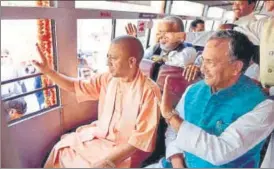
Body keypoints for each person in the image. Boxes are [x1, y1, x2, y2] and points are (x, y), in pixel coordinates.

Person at [147, 30, 274, 168]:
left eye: (210, 62)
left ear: (236, 67)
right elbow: (173, 132)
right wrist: (176, 160)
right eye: (202, 60)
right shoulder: (193, 90)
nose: (202, 69)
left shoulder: (263, 107)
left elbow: (220, 152)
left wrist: (171, 116)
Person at [32, 35, 161, 168]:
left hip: (127, 149)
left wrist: (108, 162)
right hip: (101, 135)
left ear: (132, 61)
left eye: (113, 58)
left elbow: (140, 139)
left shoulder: (150, 91)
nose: (107, 63)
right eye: (108, 57)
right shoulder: (108, 78)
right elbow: (75, 86)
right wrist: (49, 72)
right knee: (61, 149)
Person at [126, 16, 197, 68]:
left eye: (166, 33)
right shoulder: (156, 47)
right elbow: (141, 58)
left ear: (179, 34)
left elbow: (182, 61)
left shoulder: (189, 51)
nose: (161, 37)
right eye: (159, 32)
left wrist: (162, 58)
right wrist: (134, 43)